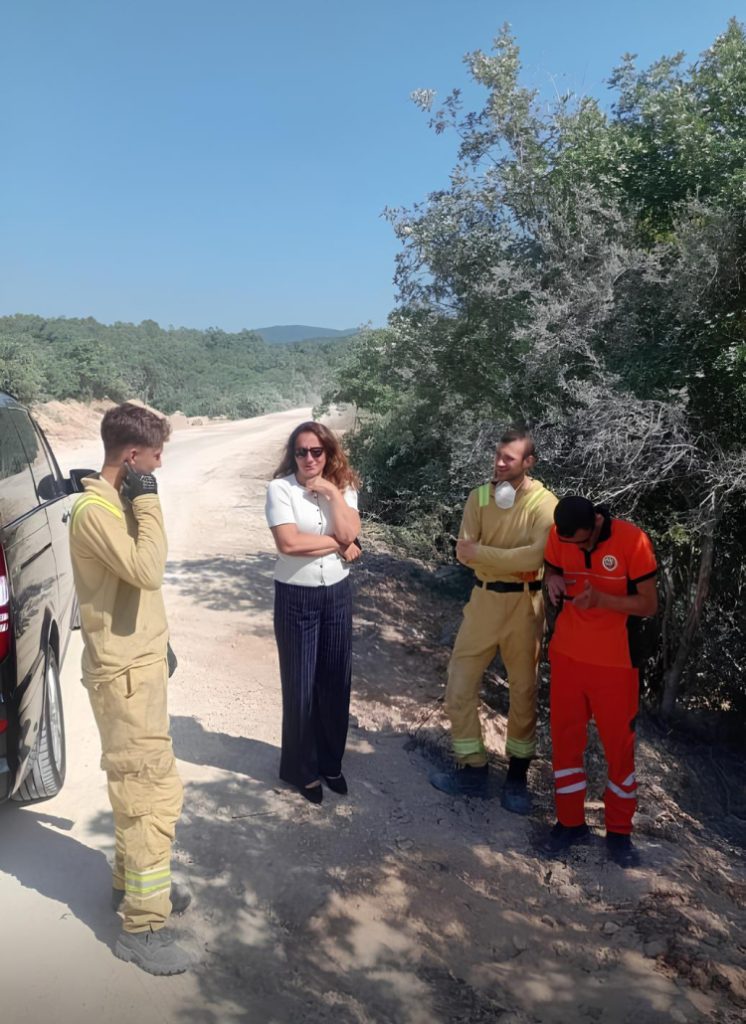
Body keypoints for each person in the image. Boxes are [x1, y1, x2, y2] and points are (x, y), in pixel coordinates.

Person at [69, 403, 190, 975]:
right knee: (150, 796)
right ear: (133, 457)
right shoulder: (97, 510)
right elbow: (147, 569)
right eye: (156, 456)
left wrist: (156, 638)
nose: (161, 464)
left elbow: (132, 590)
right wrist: (147, 497)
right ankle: (144, 926)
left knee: (138, 785)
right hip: (123, 676)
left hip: (138, 667)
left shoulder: (108, 501)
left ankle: (133, 887)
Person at [430, 428, 558, 813]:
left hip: (525, 605)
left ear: (529, 463)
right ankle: (473, 768)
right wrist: (495, 556)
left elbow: (534, 558)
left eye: (510, 459)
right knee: (459, 685)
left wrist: (484, 551)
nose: (500, 464)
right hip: (483, 600)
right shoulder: (479, 497)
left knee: (523, 692)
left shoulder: (544, 503)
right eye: (498, 456)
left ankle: (516, 779)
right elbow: (463, 554)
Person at [542, 495, 658, 868]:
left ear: (595, 522)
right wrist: (554, 579)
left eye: (583, 541)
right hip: (567, 658)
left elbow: (648, 604)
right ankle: (569, 823)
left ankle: (620, 833)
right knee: (565, 741)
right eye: (570, 542)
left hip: (616, 665)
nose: (578, 547)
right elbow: (551, 570)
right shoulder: (559, 537)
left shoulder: (632, 541)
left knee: (618, 749)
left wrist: (605, 600)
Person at [265, 420, 361, 804]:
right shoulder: (280, 489)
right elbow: (289, 543)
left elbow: (350, 531)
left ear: (328, 453)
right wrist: (339, 544)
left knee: (336, 683)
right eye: (301, 451)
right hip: (296, 597)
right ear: (293, 454)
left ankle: (330, 763)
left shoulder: (345, 488)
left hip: (337, 594)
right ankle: (300, 769)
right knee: (301, 687)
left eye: (316, 452)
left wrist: (333, 495)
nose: (308, 458)